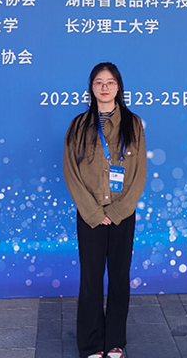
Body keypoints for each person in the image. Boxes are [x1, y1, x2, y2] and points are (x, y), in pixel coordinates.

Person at [63, 62, 147, 358]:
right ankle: (91, 345)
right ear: (91, 87)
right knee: (91, 279)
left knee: (119, 277)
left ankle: (114, 342)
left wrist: (120, 210)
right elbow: (71, 172)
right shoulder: (78, 125)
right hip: (91, 215)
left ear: (118, 87)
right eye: (99, 82)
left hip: (122, 213)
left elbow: (139, 173)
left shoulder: (133, 123)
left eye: (110, 82)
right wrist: (94, 212)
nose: (104, 87)